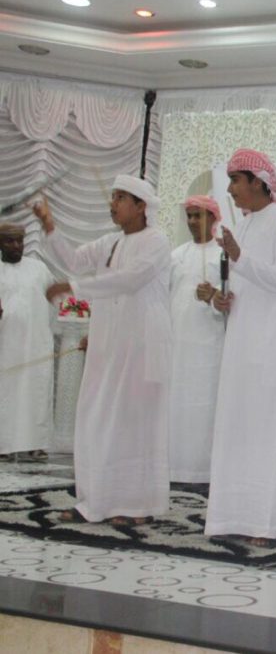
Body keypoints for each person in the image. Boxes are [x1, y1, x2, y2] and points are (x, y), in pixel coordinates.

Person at [33, 177, 172, 526]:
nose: (113, 204)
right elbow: (74, 260)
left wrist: (73, 287)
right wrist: (49, 227)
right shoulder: (110, 242)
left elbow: (131, 279)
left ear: (141, 206)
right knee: (95, 416)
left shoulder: (156, 241)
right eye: (113, 197)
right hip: (108, 341)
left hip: (141, 342)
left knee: (133, 421)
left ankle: (137, 505)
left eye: (121, 197)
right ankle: (96, 500)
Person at [204, 149, 276, 546]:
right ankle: (229, 517)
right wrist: (222, 297)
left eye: (235, 180)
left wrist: (239, 257)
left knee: (266, 431)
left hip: (272, 345)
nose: (230, 189)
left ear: (258, 182)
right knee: (236, 426)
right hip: (240, 341)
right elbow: (241, 280)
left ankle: (267, 523)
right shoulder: (243, 225)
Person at [168, 196, 224, 488]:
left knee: (203, 406)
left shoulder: (223, 256)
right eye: (189, 216)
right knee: (175, 403)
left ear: (213, 218)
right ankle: (173, 468)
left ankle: (201, 472)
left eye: (198, 216)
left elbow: (234, 301)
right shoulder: (176, 255)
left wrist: (214, 296)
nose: (192, 221)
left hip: (209, 346)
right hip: (177, 344)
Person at [0, 222, 65, 461]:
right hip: (6, 344)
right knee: (6, 392)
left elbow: (55, 301)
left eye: (19, 240)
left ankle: (37, 443)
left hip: (36, 343)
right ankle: (4, 444)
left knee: (36, 390)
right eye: (10, 241)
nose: (16, 245)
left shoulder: (38, 269)